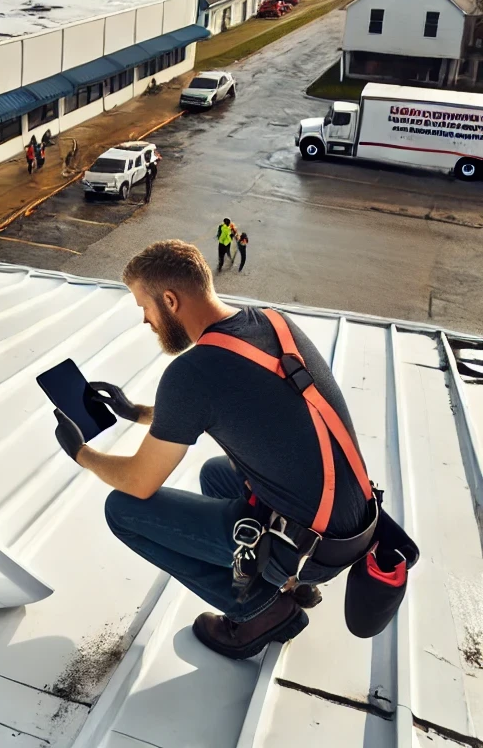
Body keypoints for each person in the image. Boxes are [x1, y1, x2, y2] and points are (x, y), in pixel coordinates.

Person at [52, 240, 377, 659]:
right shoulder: (272, 323)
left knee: (122, 511)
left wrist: (80, 452)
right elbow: (225, 405)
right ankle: (292, 582)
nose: (145, 321)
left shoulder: (192, 372)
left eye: (144, 307)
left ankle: (261, 609)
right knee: (215, 473)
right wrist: (135, 412)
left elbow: (139, 482)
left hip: (313, 546)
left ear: (170, 300)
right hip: (353, 523)